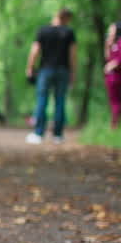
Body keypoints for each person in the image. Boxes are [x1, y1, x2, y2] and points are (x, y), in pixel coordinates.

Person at [25, 8, 77, 144]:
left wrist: (30, 67)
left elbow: (35, 50)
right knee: (60, 101)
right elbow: (72, 55)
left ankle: (38, 134)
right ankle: (58, 135)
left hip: (45, 70)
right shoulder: (68, 32)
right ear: (66, 18)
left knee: (42, 100)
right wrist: (73, 72)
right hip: (63, 70)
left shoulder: (43, 30)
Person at [103, 21, 121, 128]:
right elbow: (107, 57)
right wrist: (108, 45)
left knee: (116, 101)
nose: (110, 31)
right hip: (111, 76)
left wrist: (112, 65)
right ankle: (117, 123)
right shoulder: (115, 42)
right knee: (114, 101)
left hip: (117, 76)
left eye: (112, 29)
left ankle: (116, 125)